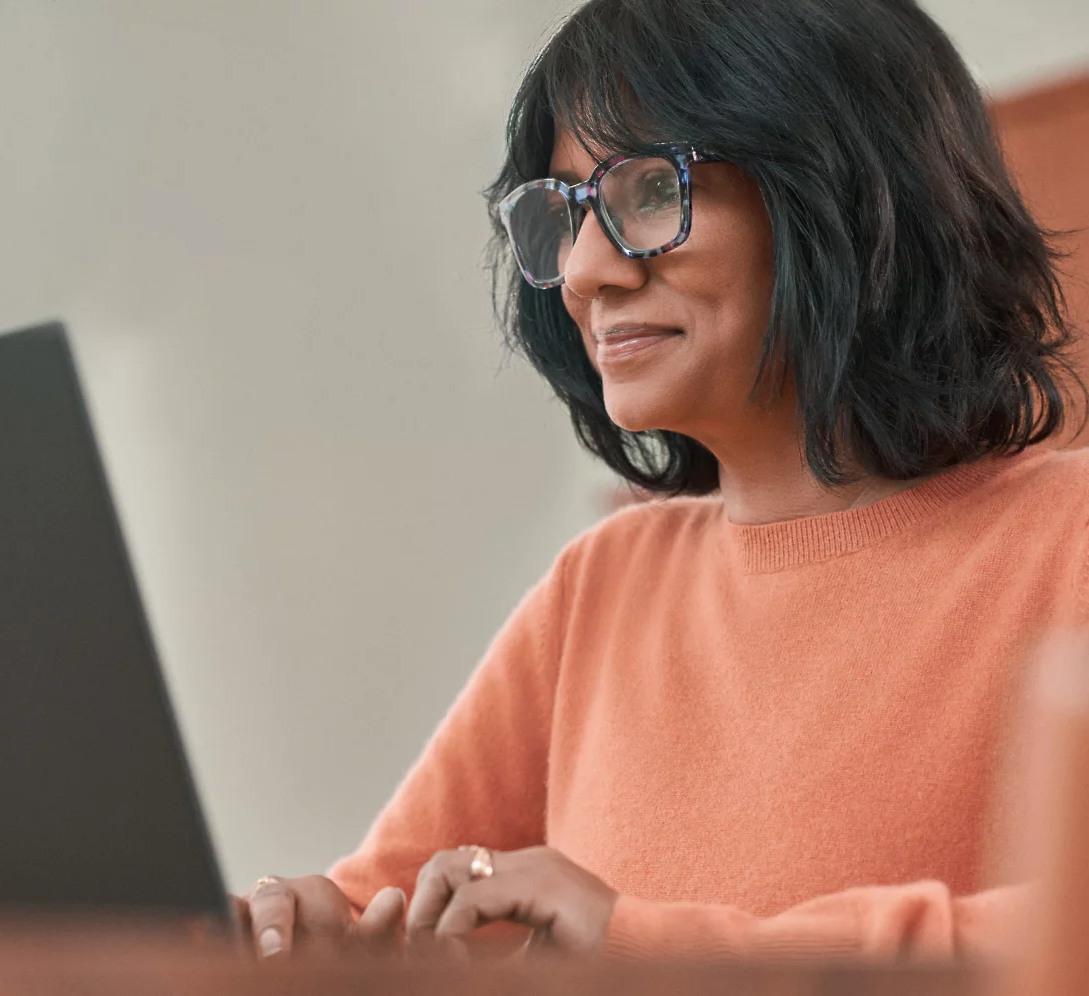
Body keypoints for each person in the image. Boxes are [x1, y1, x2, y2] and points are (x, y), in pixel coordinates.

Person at [234, 0, 1089, 962]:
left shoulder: (1069, 543)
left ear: (847, 190)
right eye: (564, 213)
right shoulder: (602, 583)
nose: (587, 271)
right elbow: (375, 909)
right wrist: (300, 935)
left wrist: (656, 945)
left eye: (648, 191)